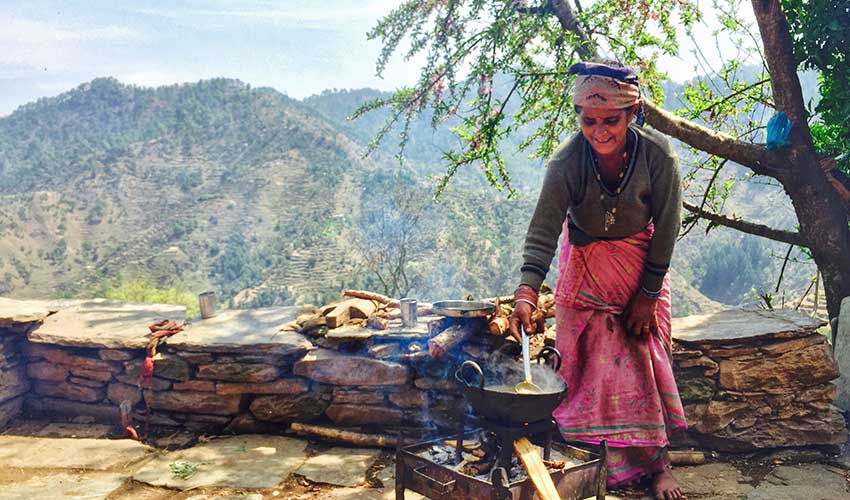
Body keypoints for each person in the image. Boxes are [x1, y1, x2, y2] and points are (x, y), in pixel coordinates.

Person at [509, 60, 687, 500]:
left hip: (639, 269)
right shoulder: (567, 162)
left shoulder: (658, 156)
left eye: (611, 120)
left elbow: (667, 226)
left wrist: (647, 295)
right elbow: (544, 230)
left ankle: (656, 466)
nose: (600, 131)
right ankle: (586, 462)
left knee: (642, 361)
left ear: (633, 114)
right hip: (584, 268)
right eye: (589, 121)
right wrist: (527, 292)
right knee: (582, 365)